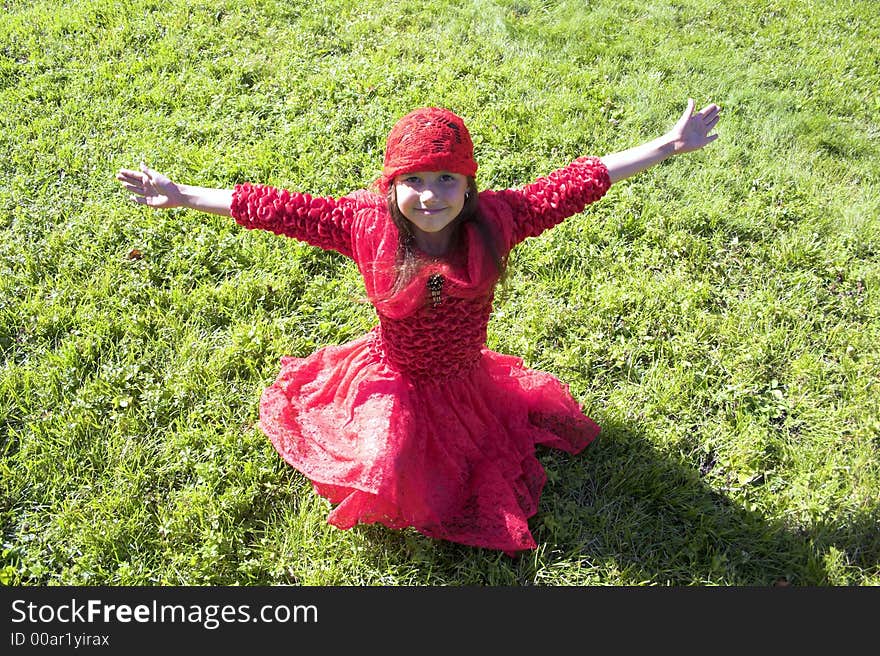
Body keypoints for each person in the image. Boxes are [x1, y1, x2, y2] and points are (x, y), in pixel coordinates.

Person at [117, 99, 720, 553]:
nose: (431, 196)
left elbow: (580, 181)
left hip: (464, 378)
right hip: (394, 377)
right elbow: (274, 206)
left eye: (446, 179)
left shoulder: (500, 219)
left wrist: (667, 144)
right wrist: (184, 195)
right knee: (389, 468)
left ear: (468, 183)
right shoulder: (362, 223)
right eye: (414, 180)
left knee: (466, 466)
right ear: (393, 184)